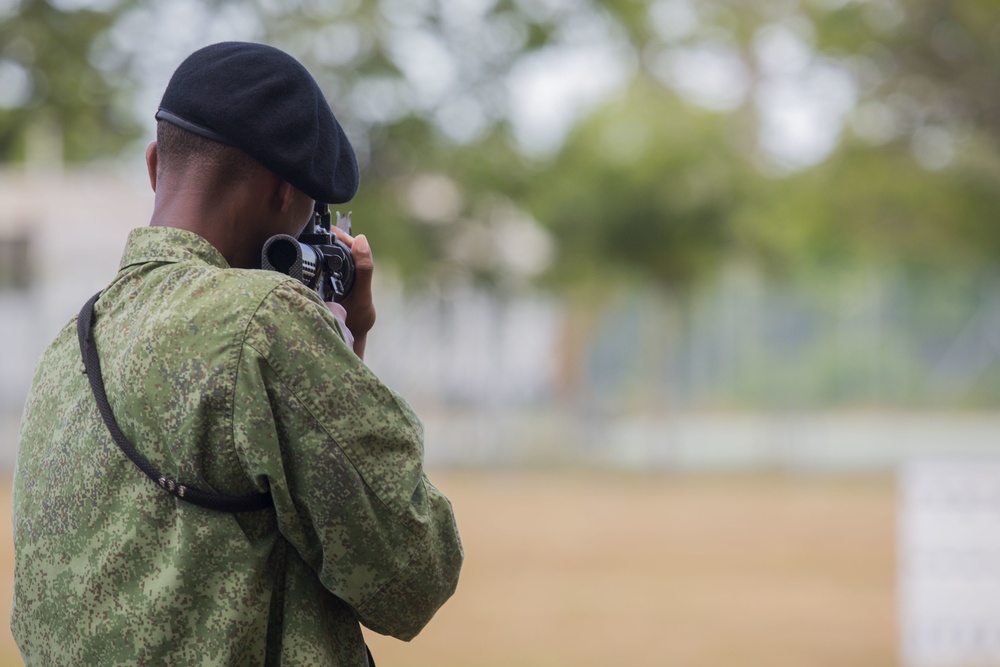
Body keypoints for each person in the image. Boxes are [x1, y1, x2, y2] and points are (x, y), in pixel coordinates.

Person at [11, 42, 463, 666]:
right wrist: (346, 346)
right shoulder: (267, 323)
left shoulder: (71, 343)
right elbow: (414, 574)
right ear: (284, 194)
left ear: (153, 165)